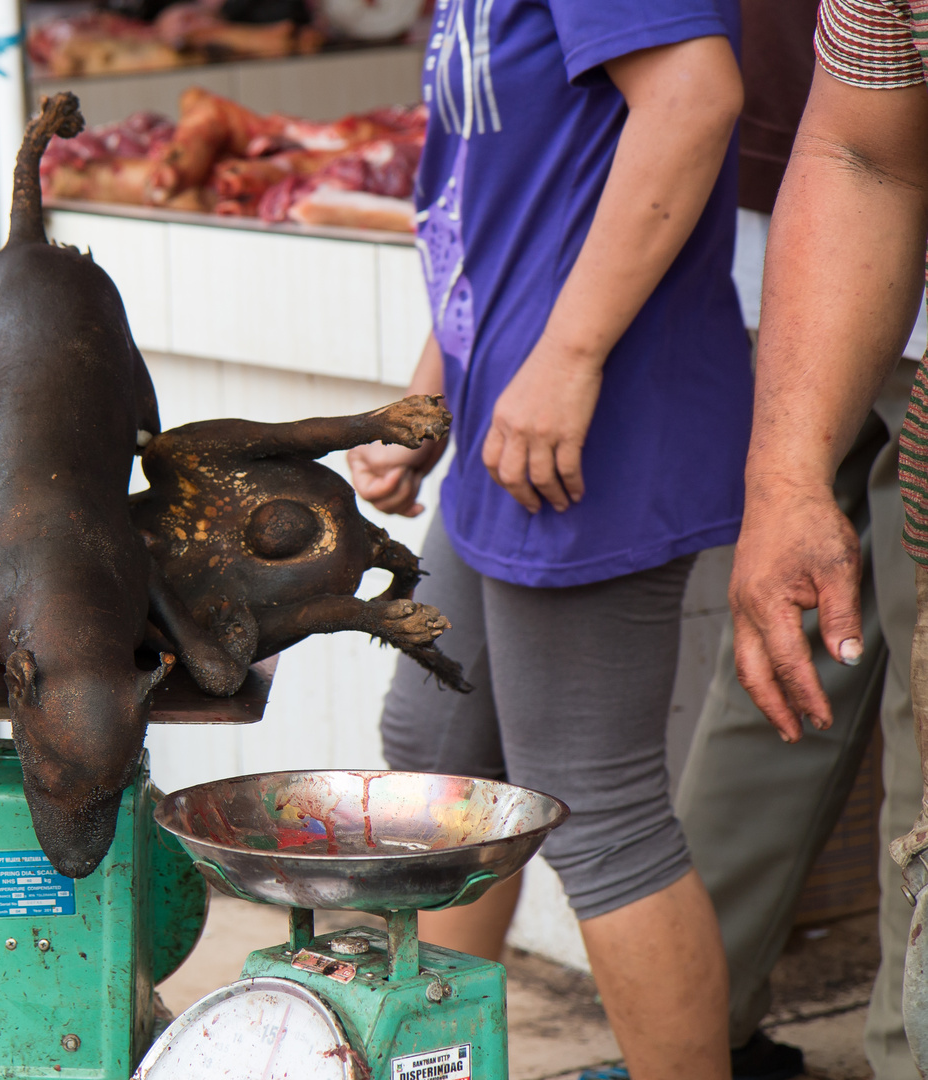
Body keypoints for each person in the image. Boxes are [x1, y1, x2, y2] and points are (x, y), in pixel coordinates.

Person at [347, 1, 748, 1076]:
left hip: (588, 420)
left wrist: (568, 356)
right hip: (505, 414)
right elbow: (494, 198)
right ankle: (437, 1061)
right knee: (439, 756)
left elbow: (694, 98)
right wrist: (430, 399)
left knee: (597, 810)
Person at [672, 0, 928, 1074]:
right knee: (805, 653)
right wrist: (781, 480)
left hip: (805, 267)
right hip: (824, 280)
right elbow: (862, 151)